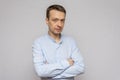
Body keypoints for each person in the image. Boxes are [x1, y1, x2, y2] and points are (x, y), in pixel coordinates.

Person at [32, 4, 85, 80]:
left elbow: (81, 67)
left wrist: (51, 74)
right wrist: (66, 63)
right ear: (47, 21)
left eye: (62, 20)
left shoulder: (71, 41)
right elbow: (40, 71)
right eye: (55, 20)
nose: (59, 24)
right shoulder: (38, 43)